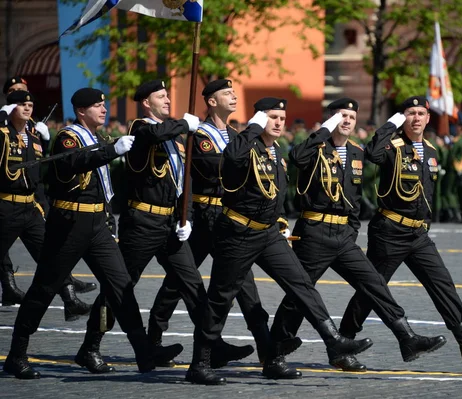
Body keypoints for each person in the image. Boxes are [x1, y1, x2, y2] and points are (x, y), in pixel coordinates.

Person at [186, 97, 373, 385]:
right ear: (259, 119)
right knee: (221, 298)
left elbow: (278, 195)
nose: (278, 122)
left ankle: (331, 340)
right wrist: (251, 127)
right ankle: (200, 363)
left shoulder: (276, 153)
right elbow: (231, 158)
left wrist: (281, 224)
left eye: (281, 118)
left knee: (301, 284)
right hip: (238, 233)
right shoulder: (246, 145)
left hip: (268, 233)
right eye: (272, 117)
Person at [3, 88, 181, 379]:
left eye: (103, 104)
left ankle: (143, 353)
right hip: (69, 223)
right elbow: (73, 163)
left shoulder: (97, 138)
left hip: (97, 224)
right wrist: (113, 151)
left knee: (121, 286)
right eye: (97, 106)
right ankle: (17, 353)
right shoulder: (68, 137)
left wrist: (108, 219)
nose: (103, 109)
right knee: (45, 289)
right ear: (81, 111)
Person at [76, 80, 252, 374]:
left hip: (170, 224)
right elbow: (155, 133)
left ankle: (213, 345)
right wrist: (185, 123)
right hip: (142, 223)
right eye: (161, 96)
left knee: (193, 285)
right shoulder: (140, 129)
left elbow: (184, 180)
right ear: (146, 103)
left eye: (168, 95)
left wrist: (187, 218)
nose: (168, 100)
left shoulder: (174, 136)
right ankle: (90, 346)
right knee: (120, 288)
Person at [269, 97, 446, 373]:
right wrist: (324, 131)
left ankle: (406, 337)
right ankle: (275, 353)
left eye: (352, 117)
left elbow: (354, 198)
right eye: (341, 116)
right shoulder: (315, 147)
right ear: (331, 119)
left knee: (374, 283)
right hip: (314, 233)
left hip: (343, 236)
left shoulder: (355, 152)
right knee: (299, 296)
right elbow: (296, 158)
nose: (347, 121)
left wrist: (351, 230)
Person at [337, 96, 462, 366]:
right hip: (390, 231)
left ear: (428, 118)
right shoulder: (392, 145)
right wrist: (391, 124)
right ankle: (343, 342)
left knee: (442, 283)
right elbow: (373, 153)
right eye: (410, 113)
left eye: (420, 113)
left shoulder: (431, 150)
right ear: (404, 118)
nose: (416, 118)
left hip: (418, 234)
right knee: (372, 289)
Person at [149, 79, 271, 365]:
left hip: (230, 218)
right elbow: (200, 173)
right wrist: (186, 216)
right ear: (211, 101)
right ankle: (154, 337)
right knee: (179, 281)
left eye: (233, 92)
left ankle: (266, 346)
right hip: (203, 217)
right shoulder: (198, 134)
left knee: (243, 282)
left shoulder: (233, 134)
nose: (234, 96)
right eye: (227, 93)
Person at [0, 91, 92, 319]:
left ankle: (70, 300)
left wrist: (46, 139)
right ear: (10, 108)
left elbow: (42, 172)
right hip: (5, 207)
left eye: (30, 104)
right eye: (22, 104)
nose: (28, 108)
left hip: (29, 208)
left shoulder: (33, 135)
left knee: (52, 256)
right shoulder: (2, 133)